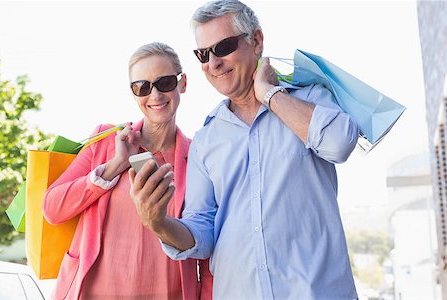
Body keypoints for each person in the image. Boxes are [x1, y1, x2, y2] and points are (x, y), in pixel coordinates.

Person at [130, 1, 359, 299]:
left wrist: (269, 95)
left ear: (257, 40)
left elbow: (340, 143)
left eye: (224, 47)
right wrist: (159, 223)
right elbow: (203, 232)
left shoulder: (311, 99)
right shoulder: (206, 140)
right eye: (203, 54)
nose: (213, 63)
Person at [42, 42, 213, 300]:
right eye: (142, 87)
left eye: (165, 82)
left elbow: (208, 246)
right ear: (133, 93)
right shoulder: (105, 140)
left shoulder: (200, 158)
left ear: (183, 83)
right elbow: (52, 209)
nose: (154, 95)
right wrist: (115, 166)